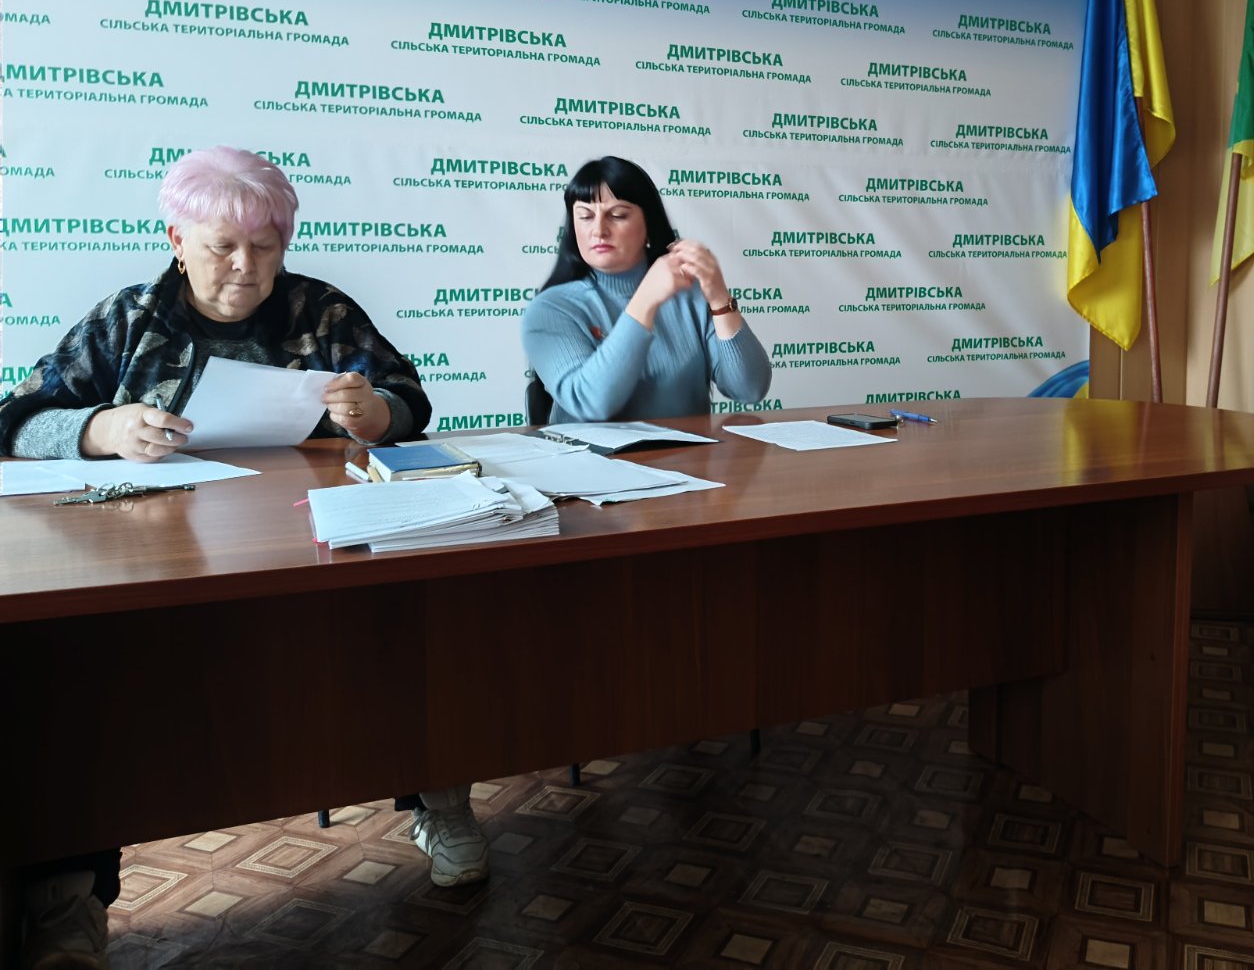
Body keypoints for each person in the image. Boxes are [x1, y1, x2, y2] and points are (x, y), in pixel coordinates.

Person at [0, 147, 486, 969]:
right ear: (177, 240)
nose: (245, 266)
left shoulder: (320, 310)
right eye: (223, 246)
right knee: (74, 672)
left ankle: (440, 800)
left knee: (410, 622)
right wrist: (99, 429)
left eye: (265, 247)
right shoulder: (129, 318)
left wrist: (378, 413)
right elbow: (16, 418)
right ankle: (66, 899)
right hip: (154, 560)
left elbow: (409, 400)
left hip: (308, 550)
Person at [521, 156, 771, 422]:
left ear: (649, 223)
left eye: (617, 215)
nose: (599, 230)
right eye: (585, 216)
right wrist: (646, 299)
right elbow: (591, 403)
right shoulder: (550, 309)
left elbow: (750, 389)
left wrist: (719, 296)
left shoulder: (689, 295)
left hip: (687, 450)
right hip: (590, 451)